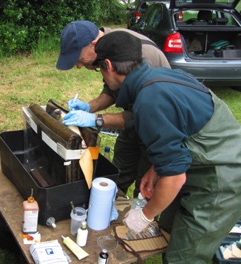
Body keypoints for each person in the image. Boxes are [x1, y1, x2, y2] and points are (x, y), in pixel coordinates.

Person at [64, 30, 241, 263]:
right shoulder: (161, 79)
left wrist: (145, 216)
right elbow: (175, 132)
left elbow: (175, 177)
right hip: (202, 161)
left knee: (183, 257)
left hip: (221, 178)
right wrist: (156, 168)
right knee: (167, 228)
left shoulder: (149, 98)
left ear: (108, 65)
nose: (103, 78)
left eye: (100, 70)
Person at [56, 20, 171, 197]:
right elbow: (113, 88)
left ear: (93, 44)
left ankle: (138, 218)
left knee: (145, 186)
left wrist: (96, 120)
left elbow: (139, 116)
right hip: (134, 121)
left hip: (157, 129)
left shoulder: (136, 54)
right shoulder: (108, 47)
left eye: (80, 59)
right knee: (116, 173)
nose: (79, 66)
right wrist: (89, 107)